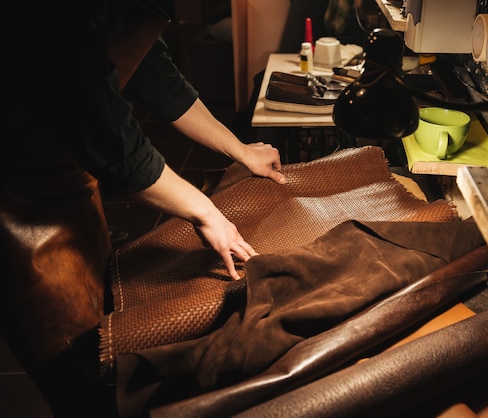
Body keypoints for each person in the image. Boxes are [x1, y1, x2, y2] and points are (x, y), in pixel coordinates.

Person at [1, 1, 284, 415]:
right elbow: (115, 143)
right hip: (18, 205)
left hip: (68, 185)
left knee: (103, 323)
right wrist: (206, 213)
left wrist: (240, 150)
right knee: (79, 376)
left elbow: (157, 78)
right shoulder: (51, 17)